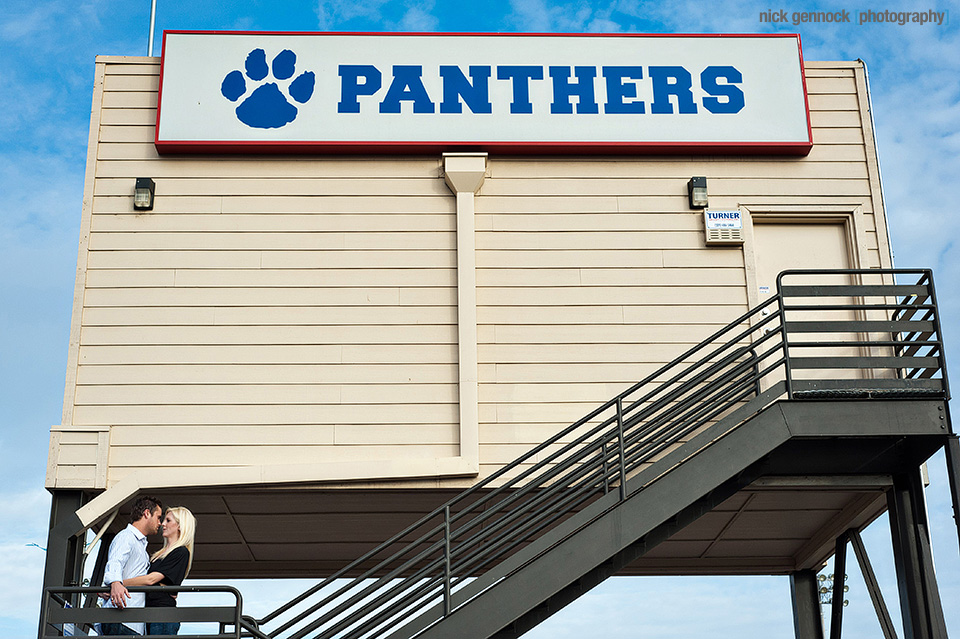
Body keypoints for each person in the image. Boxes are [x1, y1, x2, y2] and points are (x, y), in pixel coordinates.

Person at [119, 507, 196, 636]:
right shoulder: (159, 555)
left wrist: (118, 584)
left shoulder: (181, 552)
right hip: (149, 613)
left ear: (180, 526)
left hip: (162, 615)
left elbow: (150, 579)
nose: (163, 524)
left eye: (168, 520)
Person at [100, 496, 163, 636]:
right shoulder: (126, 537)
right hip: (120, 619)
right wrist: (115, 583)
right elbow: (116, 561)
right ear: (147, 513)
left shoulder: (142, 549)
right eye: (158, 517)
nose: (160, 523)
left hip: (132, 623)